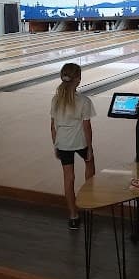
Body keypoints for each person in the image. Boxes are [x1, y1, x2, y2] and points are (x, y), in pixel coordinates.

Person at [50, 63, 96, 229]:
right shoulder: (84, 101)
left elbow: (52, 126)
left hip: (62, 144)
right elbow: (87, 127)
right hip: (80, 143)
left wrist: (55, 145)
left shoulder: (55, 100)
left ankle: (73, 216)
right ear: (78, 79)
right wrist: (90, 148)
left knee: (68, 179)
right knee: (90, 166)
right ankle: (89, 205)